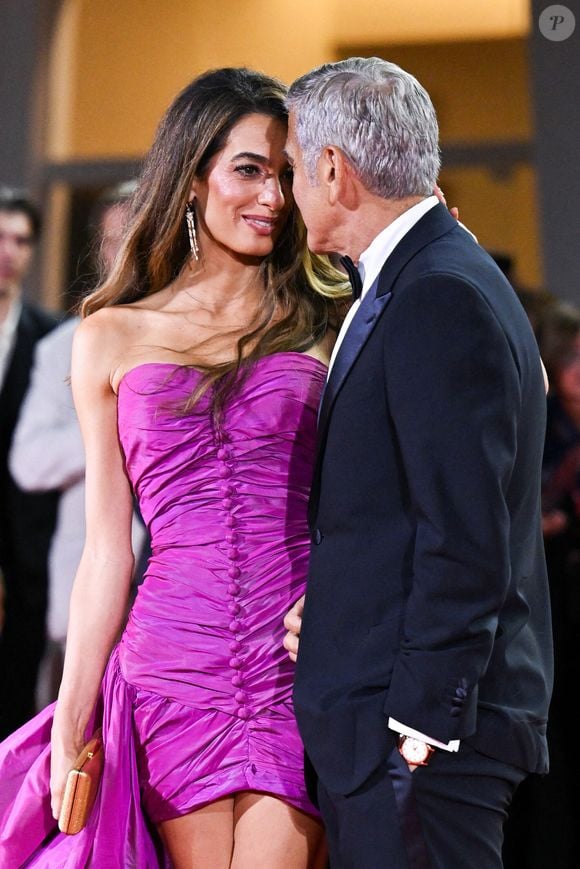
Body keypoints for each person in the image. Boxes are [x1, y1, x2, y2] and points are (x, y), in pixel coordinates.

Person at [0, 68, 347, 868]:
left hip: (294, 659)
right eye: (249, 170)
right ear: (195, 178)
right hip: (169, 666)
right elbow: (105, 548)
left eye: (285, 173)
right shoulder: (109, 336)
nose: (271, 195)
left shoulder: (331, 316)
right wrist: (72, 716)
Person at [283, 57, 553, 869]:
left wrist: (421, 723)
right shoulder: (434, 271)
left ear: (334, 169)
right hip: (403, 719)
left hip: (424, 736)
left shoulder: (438, 289)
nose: (290, 192)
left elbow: (465, 531)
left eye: (294, 167)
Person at [8, 182, 144, 702]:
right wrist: (112, 428)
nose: (125, 250)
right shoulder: (63, 347)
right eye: (113, 239)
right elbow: (28, 462)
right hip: (84, 590)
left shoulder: (197, 335)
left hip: (177, 593)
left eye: (137, 234)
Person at [0, 187, 59, 739]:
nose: (8, 251)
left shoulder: (48, 335)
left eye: (20, 240)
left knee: (22, 658)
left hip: (27, 527)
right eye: (0, 237)